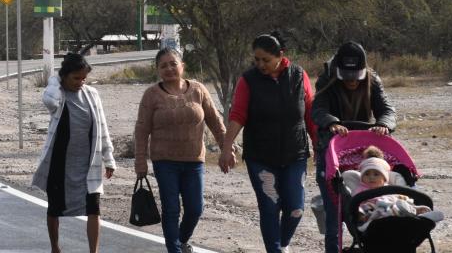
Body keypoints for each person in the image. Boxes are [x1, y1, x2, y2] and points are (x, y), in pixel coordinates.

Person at [220, 32, 318, 253]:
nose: (260, 64)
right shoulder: (248, 80)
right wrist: (227, 148)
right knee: (270, 207)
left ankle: (282, 245)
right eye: (257, 60)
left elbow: (310, 113)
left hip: (295, 153)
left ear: (280, 56)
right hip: (261, 156)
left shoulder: (298, 75)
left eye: (266, 59)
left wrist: (318, 144)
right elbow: (237, 116)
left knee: (295, 209)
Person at [134, 47, 229, 253]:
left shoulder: (198, 89)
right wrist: (140, 160)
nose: (169, 69)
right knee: (171, 209)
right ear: (158, 70)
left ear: (182, 66)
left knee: (195, 209)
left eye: (173, 64)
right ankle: (175, 250)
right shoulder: (151, 95)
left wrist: (226, 147)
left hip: (194, 160)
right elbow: (141, 130)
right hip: (164, 161)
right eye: (163, 65)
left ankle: (180, 241)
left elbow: (214, 120)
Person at [311, 41, 397, 252]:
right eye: (346, 77)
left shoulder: (373, 79)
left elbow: (387, 109)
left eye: (356, 77)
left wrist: (383, 125)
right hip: (332, 151)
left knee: (373, 205)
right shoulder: (326, 80)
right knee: (334, 211)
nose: (351, 82)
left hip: (363, 152)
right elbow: (318, 109)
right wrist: (332, 122)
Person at [32, 53, 116, 253]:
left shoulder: (92, 94)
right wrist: (55, 80)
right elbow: (49, 101)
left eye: (83, 78)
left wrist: (109, 158)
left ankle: (93, 251)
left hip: (88, 163)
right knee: (55, 208)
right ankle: (55, 247)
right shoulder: (58, 94)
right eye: (75, 78)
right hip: (60, 162)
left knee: (94, 208)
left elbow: (102, 127)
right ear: (65, 76)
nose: (80, 82)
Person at [344, 147, 443, 229]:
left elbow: (400, 197)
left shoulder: (390, 188)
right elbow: (356, 204)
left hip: (394, 210)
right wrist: (360, 215)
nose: (371, 177)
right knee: (374, 208)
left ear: (384, 178)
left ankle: (420, 215)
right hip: (375, 214)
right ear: (362, 177)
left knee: (399, 203)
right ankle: (414, 214)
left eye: (376, 174)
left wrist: (404, 199)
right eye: (367, 174)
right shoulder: (360, 189)